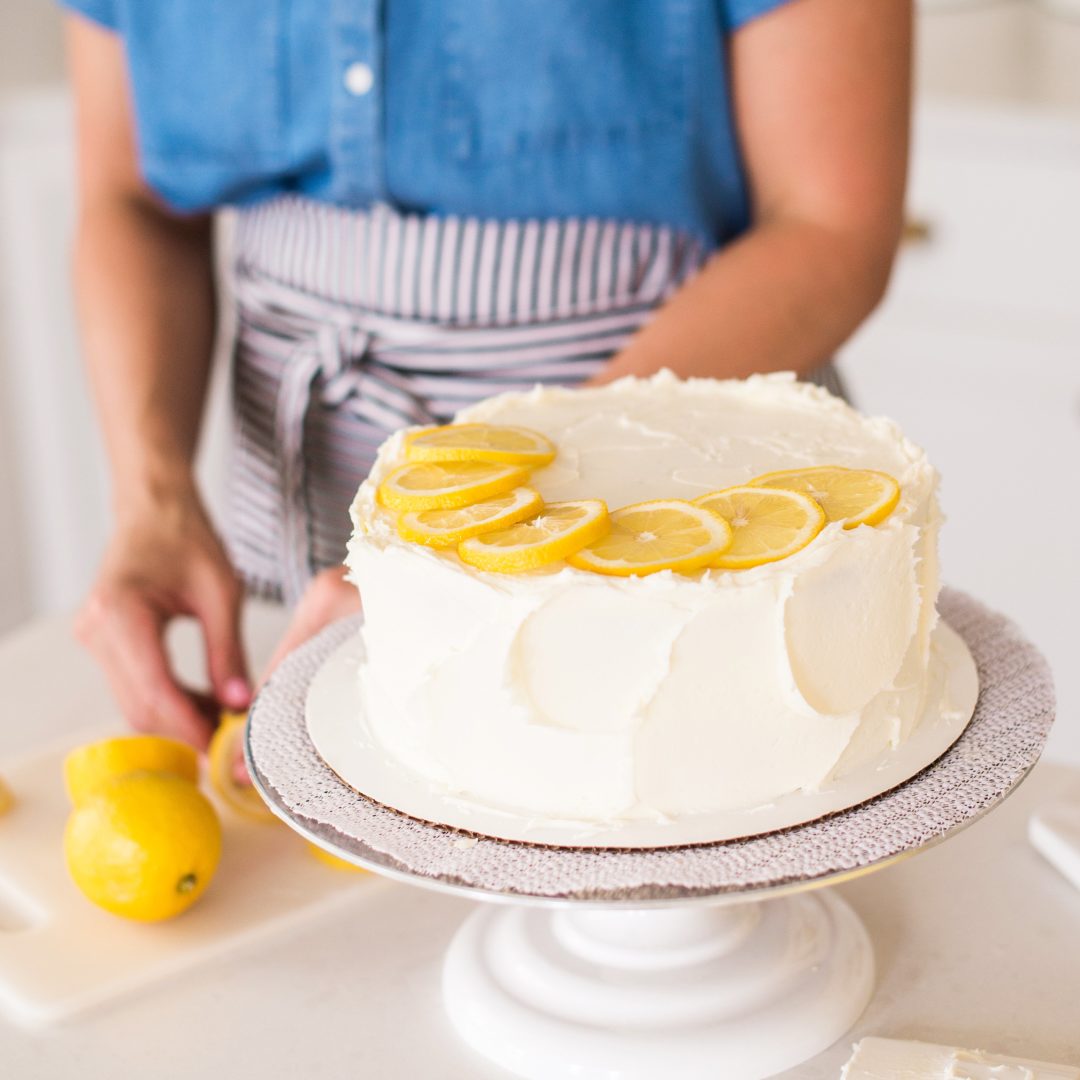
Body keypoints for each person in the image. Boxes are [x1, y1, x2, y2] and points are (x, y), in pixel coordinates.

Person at [62, 1, 912, 751]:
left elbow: (830, 225)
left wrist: (466, 555)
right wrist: (153, 496)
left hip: (664, 511)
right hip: (293, 514)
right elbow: (128, 197)